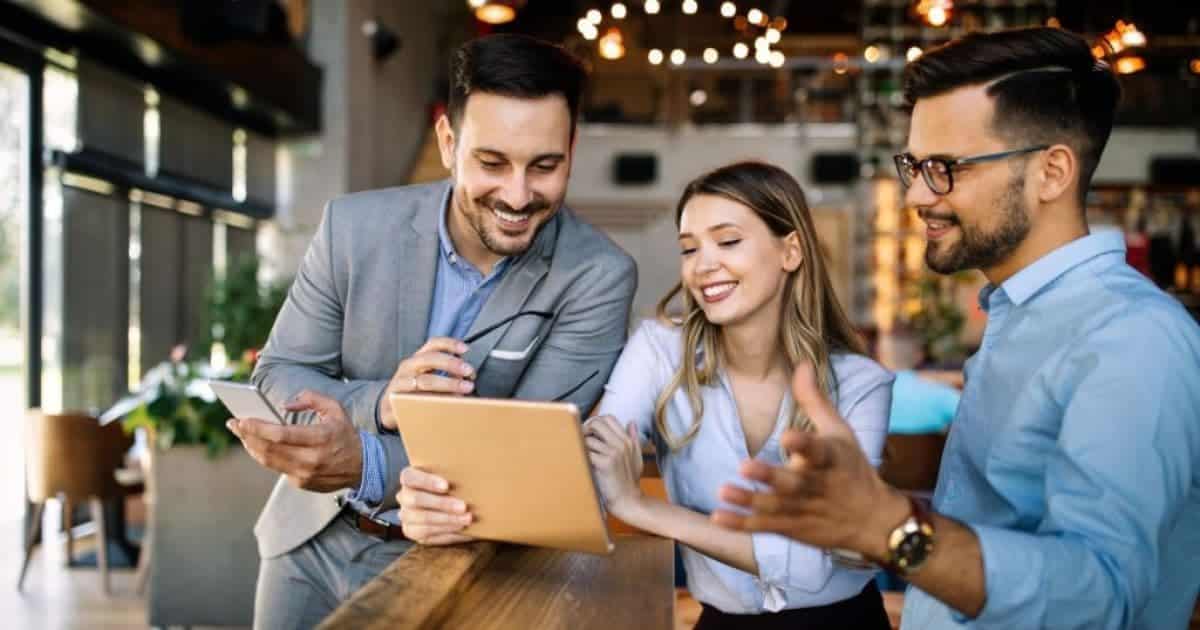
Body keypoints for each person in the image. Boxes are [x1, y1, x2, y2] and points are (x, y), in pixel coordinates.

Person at [712, 27, 1200, 630]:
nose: (917, 192)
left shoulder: (1133, 337)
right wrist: (858, 516)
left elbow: (1101, 594)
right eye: (915, 165)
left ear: (1051, 172)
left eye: (945, 168)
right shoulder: (1020, 313)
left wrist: (893, 527)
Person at [225, 34, 637, 629]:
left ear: (572, 148)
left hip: (464, 561)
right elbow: (279, 374)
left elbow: (526, 462)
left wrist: (366, 460)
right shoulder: (352, 228)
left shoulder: (598, 276)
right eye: (491, 163)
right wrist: (382, 402)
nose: (518, 196)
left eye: (545, 166)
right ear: (448, 143)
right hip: (307, 541)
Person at [585, 161, 895, 629]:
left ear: (790, 251)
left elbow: (811, 565)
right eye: (689, 249)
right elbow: (597, 459)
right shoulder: (658, 351)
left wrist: (641, 508)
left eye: (728, 241)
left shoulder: (859, 384)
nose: (703, 265)